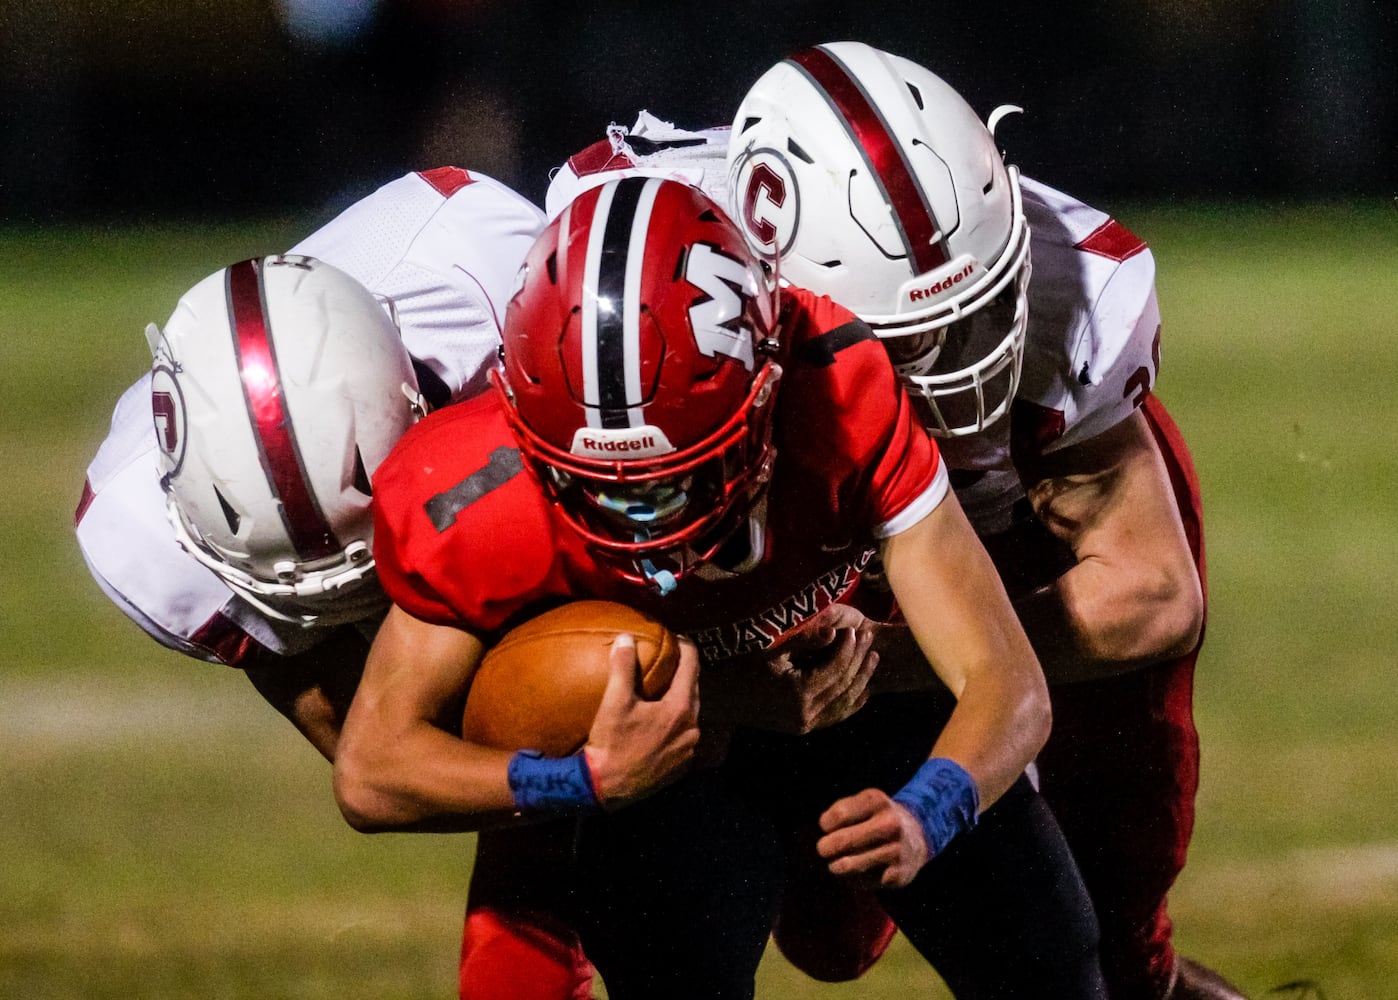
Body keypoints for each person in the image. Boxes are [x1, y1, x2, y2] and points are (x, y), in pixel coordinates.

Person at [334, 175, 1110, 999]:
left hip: (858, 699)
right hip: (670, 762)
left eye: (677, 476)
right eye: (600, 483)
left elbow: (1008, 683)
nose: (643, 521)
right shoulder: (473, 496)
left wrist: (929, 809)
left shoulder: (838, 391)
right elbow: (372, 769)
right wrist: (583, 778)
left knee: (1048, 957)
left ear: (768, 388)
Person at [716, 42, 1241, 1000]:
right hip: (840, 554)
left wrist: (891, 660)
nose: (956, 359)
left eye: (976, 306)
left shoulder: (1067, 299)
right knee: (827, 936)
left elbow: (1153, 594)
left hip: (1029, 527)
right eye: (907, 339)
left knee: (1119, 915)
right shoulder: (690, 281)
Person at [73, 168, 619, 999]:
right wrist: (563, 778)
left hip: (479, 409)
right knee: (479, 738)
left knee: (564, 664)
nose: (349, 595)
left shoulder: (501, 291)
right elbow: (379, 762)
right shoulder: (138, 537)